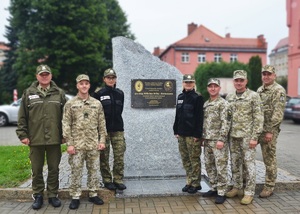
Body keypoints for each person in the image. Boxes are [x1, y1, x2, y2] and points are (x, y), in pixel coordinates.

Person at [16, 64, 66, 210]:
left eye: (47, 74)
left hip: (55, 139)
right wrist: (22, 135)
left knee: (54, 169)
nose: (44, 76)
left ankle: (52, 195)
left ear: (51, 76)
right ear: (37, 76)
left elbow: (65, 117)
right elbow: (22, 116)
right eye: (41, 74)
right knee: (36, 169)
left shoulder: (59, 93)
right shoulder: (28, 93)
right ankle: (38, 195)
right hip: (35, 138)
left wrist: (65, 135)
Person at [62, 74, 107, 209]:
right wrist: (69, 143)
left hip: (93, 143)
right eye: (81, 83)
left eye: (86, 83)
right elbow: (66, 124)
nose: (84, 86)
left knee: (93, 170)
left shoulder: (96, 103)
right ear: (77, 85)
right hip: (77, 144)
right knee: (76, 170)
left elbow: (102, 123)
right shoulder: (70, 104)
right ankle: (75, 196)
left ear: (89, 85)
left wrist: (102, 140)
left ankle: (93, 193)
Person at [225, 70, 263, 205]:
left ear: (246, 81)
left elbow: (258, 118)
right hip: (233, 137)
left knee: (249, 165)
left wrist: (255, 137)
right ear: (233, 82)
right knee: (235, 163)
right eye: (236, 80)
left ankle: (249, 192)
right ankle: (237, 187)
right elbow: (227, 118)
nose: (239, 83)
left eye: (241, 80)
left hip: (247, 137)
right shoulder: (229, 97)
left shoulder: (253, 96)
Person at [93, 68, 126, 191]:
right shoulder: (98, 93)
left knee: (119, 156)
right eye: (108, 78)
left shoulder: (120, 93)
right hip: (103, 130)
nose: (111, 80)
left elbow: (120, 110)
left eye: (113, 78)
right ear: (104, 79)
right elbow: (95, 112)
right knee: (104, 157)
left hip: (118, 129)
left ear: (115, 79)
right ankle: (107, 180)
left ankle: (118, 179)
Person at [257, 65, 286, 198]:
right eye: (264, 74)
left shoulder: (279, 90)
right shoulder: (260, 90)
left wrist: (270, 131)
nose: (266, 76)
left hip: (269, 131)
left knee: (269, 159)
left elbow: (278, 114)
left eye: (269, 74)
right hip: (257, 129)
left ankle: (269, 186)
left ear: (274, 75)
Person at [173, 74, 204, 194]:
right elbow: (177, 115)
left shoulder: (197, 97)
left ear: (194, 83)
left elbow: (199, 117)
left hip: (192, 135)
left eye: (190, 82)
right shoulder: (180, 97)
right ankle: (189, 181)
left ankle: (196, 184)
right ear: (183, 83)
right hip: (181, 134)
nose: (188, 84)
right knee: (185, 159)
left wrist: (198, 134)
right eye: (186, 82)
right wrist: (176, 130)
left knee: (194, 159)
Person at [202, 78, 230, 204]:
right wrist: (203, 137)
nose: (212, 88)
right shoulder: (206, 103)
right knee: (209, 165)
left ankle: (222, 191)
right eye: (210, 86)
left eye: (215, 86)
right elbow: (204, 122)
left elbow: (226, 123)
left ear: (219, 88)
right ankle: (213, 187)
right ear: (207, 88)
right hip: (207, 140)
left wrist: (222, 139)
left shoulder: (223, 104)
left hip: (218, 141)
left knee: (221, 166)